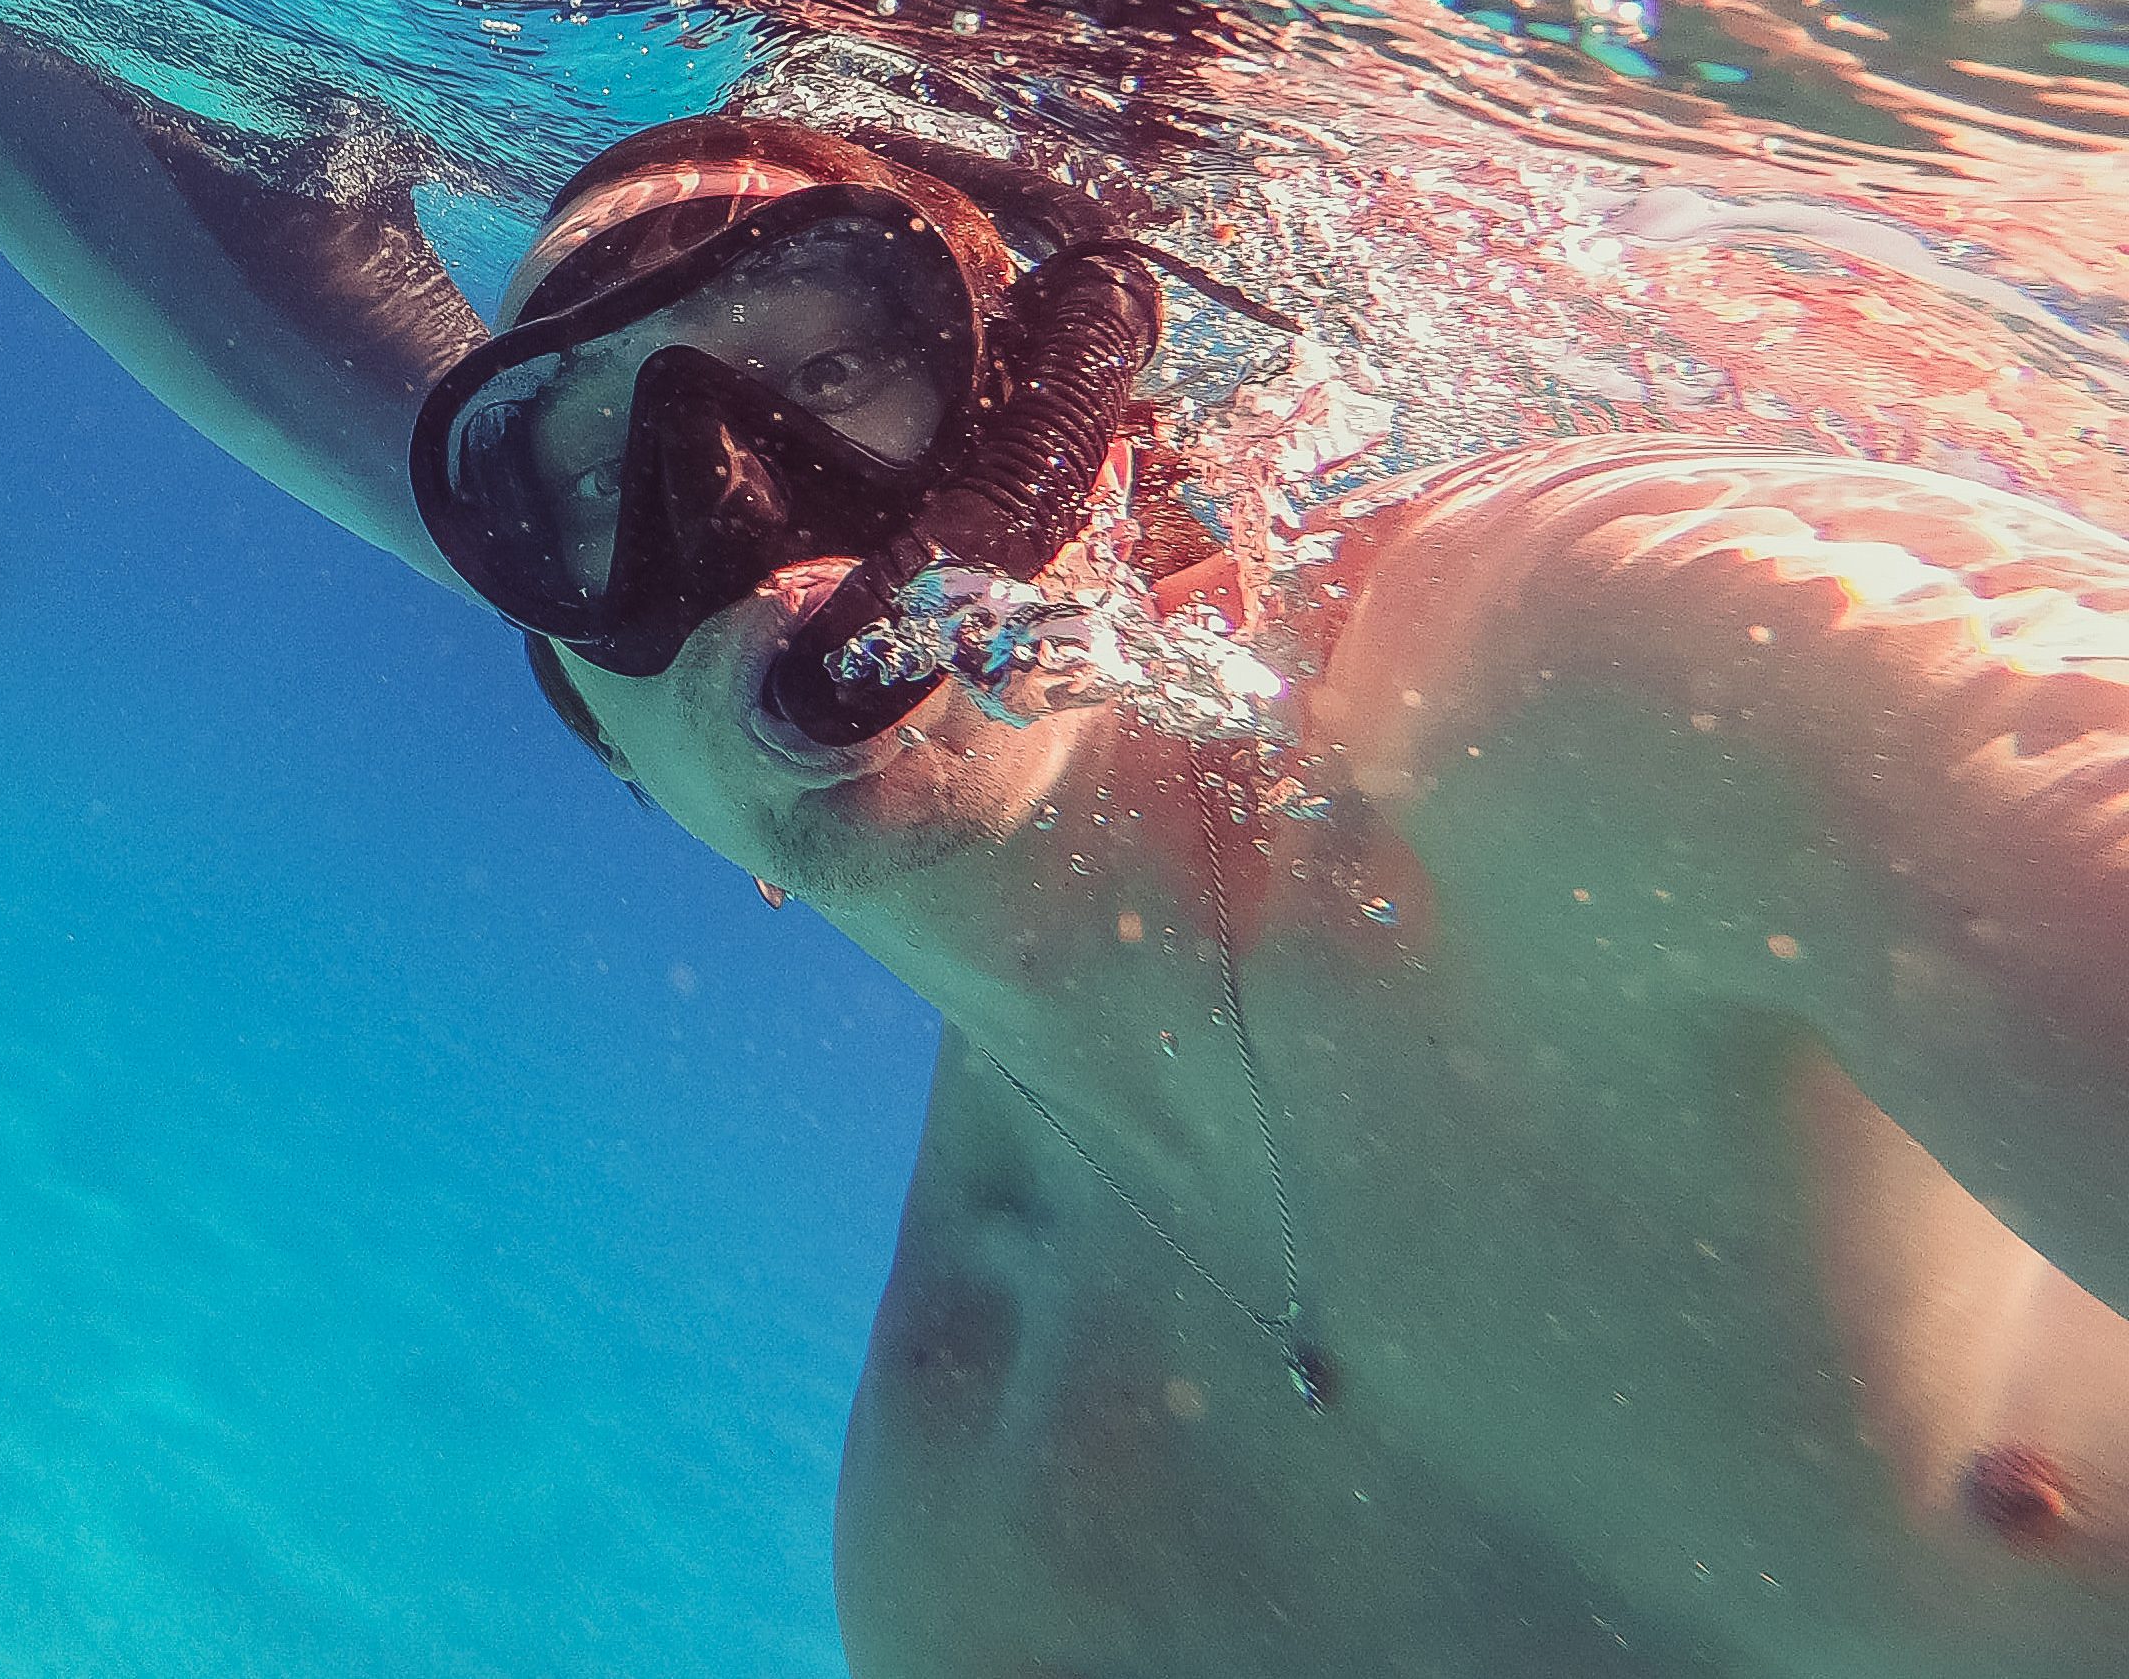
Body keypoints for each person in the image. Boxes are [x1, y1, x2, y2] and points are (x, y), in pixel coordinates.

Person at [409, 112, 2129, 1676]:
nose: (746, 521)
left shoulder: (1610, 689)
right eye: (583, 489)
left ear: (1093, 446)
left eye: (846, 363)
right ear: (610, 745)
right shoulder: (978, 1520)